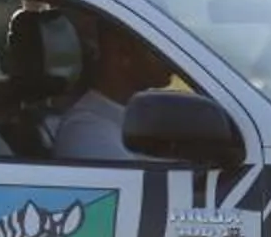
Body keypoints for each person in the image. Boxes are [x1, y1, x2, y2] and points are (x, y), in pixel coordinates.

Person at [51, 16, 184, 162]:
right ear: (123, 53)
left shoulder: (142, 111)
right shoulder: (87, 131)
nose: (170, 55)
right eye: (156, 45)